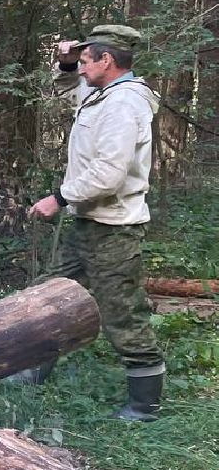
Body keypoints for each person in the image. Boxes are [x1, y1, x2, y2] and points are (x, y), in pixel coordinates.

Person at [24, 24, 165, 421]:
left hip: (115, 230)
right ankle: (33, 369)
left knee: (123, 313)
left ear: (107, 60)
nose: (81, 68)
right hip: (88, 223)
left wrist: (58, 198)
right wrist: (67, 63)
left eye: (86, 61)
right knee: (50, 298)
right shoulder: (104, 93)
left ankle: (145, 405)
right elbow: (70, 90)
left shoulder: (124, 105)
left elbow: (108, 175)